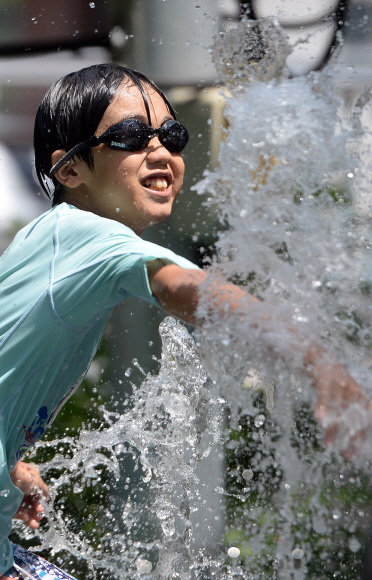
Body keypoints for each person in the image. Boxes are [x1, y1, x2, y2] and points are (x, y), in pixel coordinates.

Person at [0, 63, 369, 580]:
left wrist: (8, 466)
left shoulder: (51, 245)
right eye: (130, 136)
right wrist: (316, 363)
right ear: (70, 170)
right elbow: (186, 290)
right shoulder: (84, 234)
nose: (160, 151)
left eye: (172, 135)